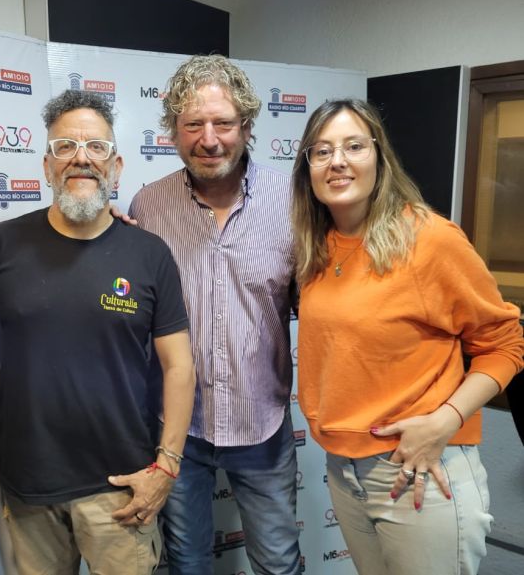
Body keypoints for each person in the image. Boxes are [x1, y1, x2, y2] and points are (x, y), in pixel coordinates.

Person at [291, 98, 524, 575]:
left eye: (353, 146)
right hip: (345, 470)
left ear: (379, 155)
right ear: (308, 168)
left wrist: (445, 420)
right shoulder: (317, 246)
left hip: (420, 469)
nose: (337, 161)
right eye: (322, 151)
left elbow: (505, 344)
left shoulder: (428, 239)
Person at [0, 89, 196, 575]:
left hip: (121, 485)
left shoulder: (148, 253)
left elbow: (179, 366)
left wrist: (167, 466)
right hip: (29, 484)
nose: (81, 159)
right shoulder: (3, 243)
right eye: (65, 148)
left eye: (96, 147)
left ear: (116, 167)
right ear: (47, 166)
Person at [129, 55, 301, 575]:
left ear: (246, 126)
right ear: (173, 133)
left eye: (223, 123)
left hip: (263, 424)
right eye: (192, 125)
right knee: (186, 562)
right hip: (179, 431)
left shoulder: (293, 200)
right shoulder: (149, 206)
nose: (209, 139)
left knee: (277, 562)